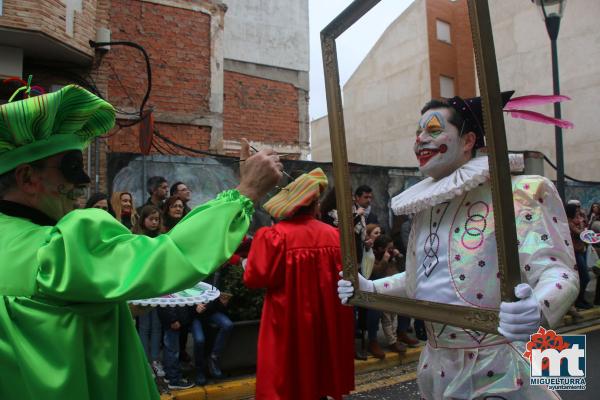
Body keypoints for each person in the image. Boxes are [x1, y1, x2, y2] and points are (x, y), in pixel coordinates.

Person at [0, 84, 282, 400]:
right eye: (70, 168)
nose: (83, 182)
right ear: (27, 178)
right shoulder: (59, 247)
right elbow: (171, 254)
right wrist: (245, 194)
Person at [338, 92, 578, 399]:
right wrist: (368, 289)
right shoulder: (425, 207)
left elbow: (560, 273)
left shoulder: (520, 192)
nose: (420, 140)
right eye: (418, 132)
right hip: (435, 368)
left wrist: (538, 308)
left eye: (433, 130)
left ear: (468, 141)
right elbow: (417, 281)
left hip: (504, 368)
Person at [244, 168, 354, 400]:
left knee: (287, 375)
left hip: (287, 320)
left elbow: (255, 278)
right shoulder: (335, 236)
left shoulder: (275, 236)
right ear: (315, 206)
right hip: (326, 319)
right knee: (319, 375)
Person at [131, 205, 165, 379]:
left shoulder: (161, 239)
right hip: (143, 288)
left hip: (158, 287)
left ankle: (155, 360)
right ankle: (145, 361)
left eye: (157, 219)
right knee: (144, 326)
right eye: (151, 219)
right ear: (142, 220)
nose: (154, 222)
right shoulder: (136, 239)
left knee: (157, 326)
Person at [567, 203, 592, 309]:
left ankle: (581, 299)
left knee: (583, 277)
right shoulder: (569, 222)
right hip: (575, 252)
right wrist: (582, 223)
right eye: (576, 211)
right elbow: (580, 233)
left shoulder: (577, 220)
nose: (578, 212)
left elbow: (587, 226)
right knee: (585, 277)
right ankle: (578, 300)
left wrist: (583, 218)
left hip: (582, 249)